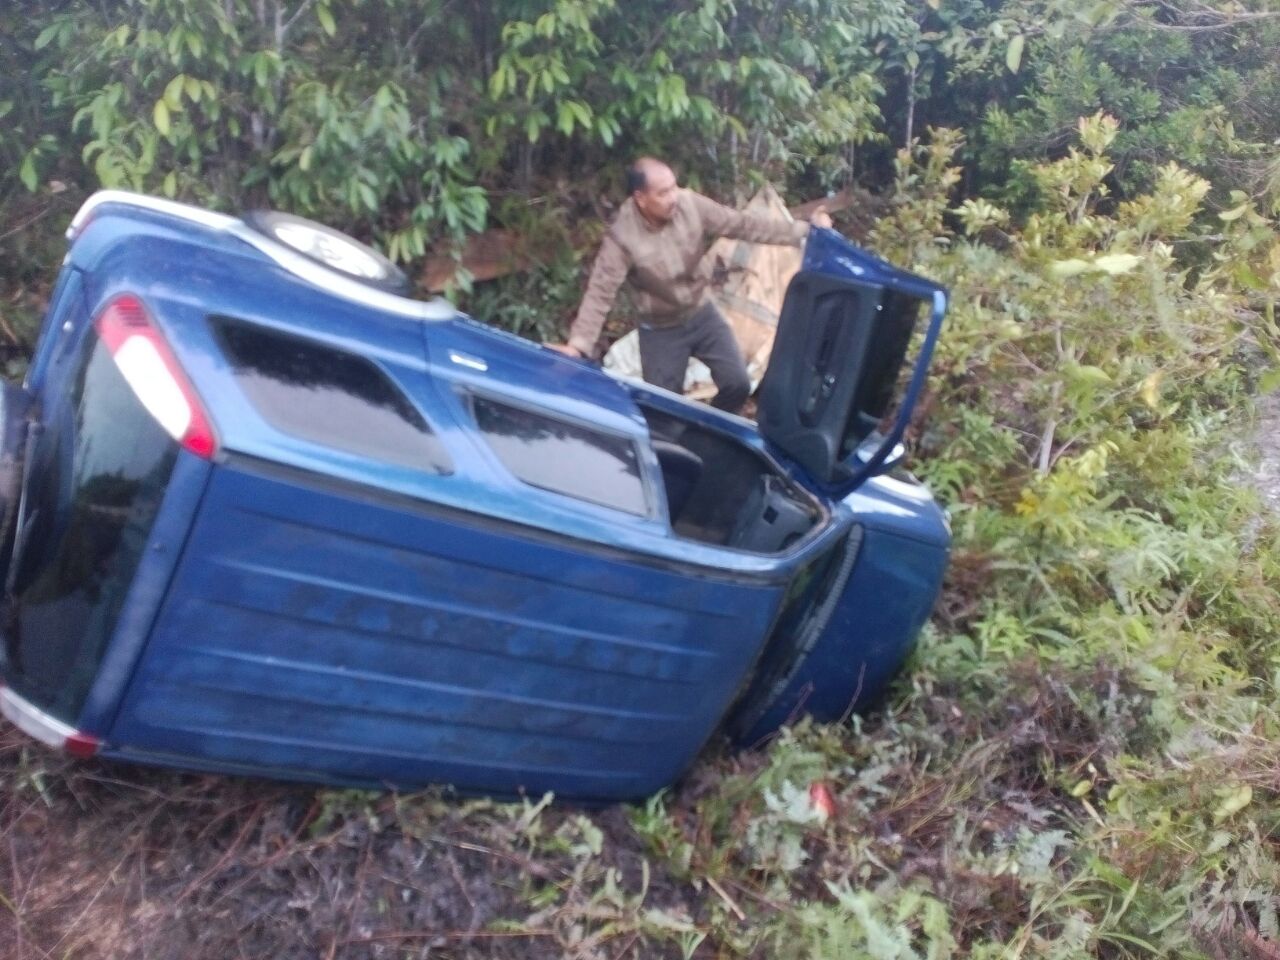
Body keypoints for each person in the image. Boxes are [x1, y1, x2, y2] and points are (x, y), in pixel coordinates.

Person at [549, 157, 832, 413]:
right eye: (663, 193)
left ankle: (712, 431)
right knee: (664, 410)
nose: (673, 197)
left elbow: (744, 225)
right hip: (661, 330)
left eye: (674, 187)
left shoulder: (690, 204)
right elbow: (600, 292)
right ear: (640, 198)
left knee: (738, 383)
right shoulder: (623, 236)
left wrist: (806, 230)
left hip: (702, 313)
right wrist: (578, 345)